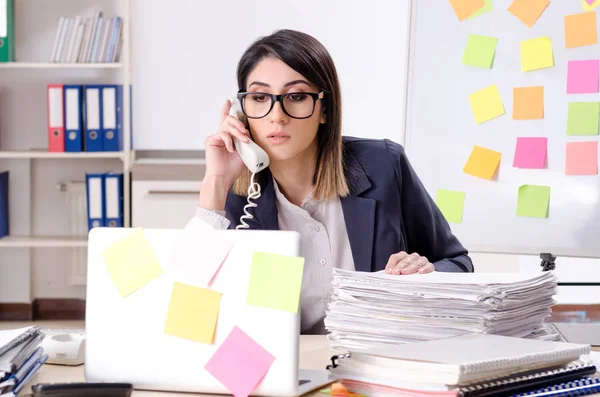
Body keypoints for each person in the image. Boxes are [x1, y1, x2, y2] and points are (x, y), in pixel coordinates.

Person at [195, 29, 474, 334]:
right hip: (292, 371)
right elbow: (193, 308)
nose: (277, 116)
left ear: (324, 108)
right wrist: (216, 182)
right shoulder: (240, 195)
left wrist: (427, 271)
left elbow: (458, 262)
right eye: (260, 98)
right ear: (242, 110)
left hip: (381, 362)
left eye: (296, 97)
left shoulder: (382, 165)